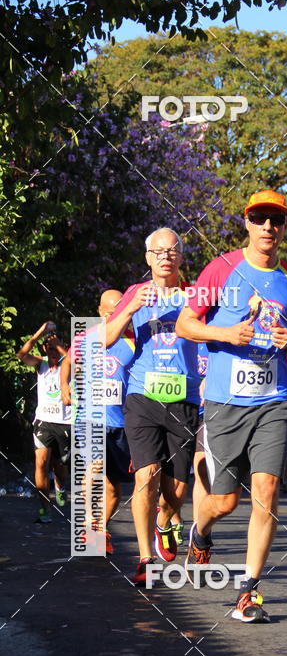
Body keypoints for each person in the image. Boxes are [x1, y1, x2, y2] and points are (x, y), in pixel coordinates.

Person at [176, 189, 287, 623]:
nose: (269, 227)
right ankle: (200, 531)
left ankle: (249, 591)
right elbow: (185, 323)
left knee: (267, 494)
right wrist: (227, 334)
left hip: (274, 401)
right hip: (225, 402)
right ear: (247, 223)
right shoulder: (222, 268)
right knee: (225, 502)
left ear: (284, 227)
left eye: (277, 220)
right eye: (260, 218)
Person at [106, 228, 200, 583]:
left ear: (180, 256)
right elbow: (105, 338)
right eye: (158, 251)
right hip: (142, 394)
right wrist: (130, 307)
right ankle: (146, 560)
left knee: (176, 491)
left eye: (172, 250)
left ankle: (165, 521)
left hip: (183, 398)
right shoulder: (135, 293)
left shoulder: (195, 296)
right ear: (148, 258)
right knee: (146, 475)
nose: (165, 256)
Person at [60, 290, 135, 553]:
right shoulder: (86, 337)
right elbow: (67, 360)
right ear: (100, 310)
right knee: (93, 466)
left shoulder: (132, 339)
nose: (113, 314)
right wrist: (63, 386)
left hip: (121, 422)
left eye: (119, 309)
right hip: (90, 417)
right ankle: (89, 522)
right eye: (109, 309)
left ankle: (100, 528)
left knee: (114, 487)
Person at [17, 322, 70, 523]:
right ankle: (45, 509)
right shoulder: (41, 364)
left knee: (60, 467)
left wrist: (59, 346)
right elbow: (22, 355)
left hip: (65, 424)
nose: (52, 351)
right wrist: (41, 332)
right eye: (48, 348)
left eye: (55, 347)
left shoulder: (69, 363)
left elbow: (76, 365)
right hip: (43, 422)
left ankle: (60, 486)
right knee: (40, 463)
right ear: (44, 350)